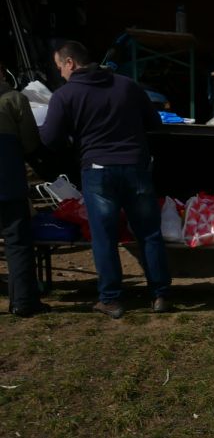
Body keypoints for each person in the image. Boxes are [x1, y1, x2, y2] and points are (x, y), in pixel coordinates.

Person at [39, 39, 170, 318]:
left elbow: (50, 139)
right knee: (149, 233)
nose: (60, 72)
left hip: (97, 169)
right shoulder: (127, 85)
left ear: (70, 63)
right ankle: (160, 294)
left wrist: (73, 138)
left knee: (104, 237)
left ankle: (111, 299)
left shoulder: (65, 95)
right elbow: (155, 123)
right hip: (135, 166)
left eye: (59, 67)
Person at [1, 64, 48, 316]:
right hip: (7, 182)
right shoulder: (14, 99)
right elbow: (30, 143)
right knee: (17, 242)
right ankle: (23, 302)